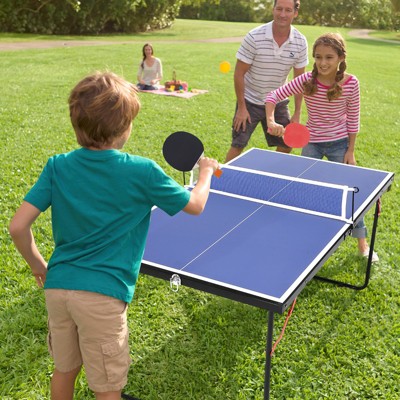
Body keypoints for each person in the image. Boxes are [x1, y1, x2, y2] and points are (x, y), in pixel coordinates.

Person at [8, 71, 219, 400]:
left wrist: (38, 265)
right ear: (125, 128)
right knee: (107, 387)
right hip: (102, 297)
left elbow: (17, 227)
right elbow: (195, 205)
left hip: (58, 289)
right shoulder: (142, 171)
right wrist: (204, 173)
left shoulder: (57, 166)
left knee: (64, 369)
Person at [265, 32, 378, 261]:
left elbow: (353, 119)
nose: (322, 63)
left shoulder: (351, 83)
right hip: (312, 143)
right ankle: (304, 236)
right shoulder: (306, 80)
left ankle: (362, 244)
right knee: (305, 190)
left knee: (350, 193)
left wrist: (350, 150)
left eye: (329, 57)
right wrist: (270, 120)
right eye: (318, 57)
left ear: (340, 58)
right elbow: (273, 96)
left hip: (340, 144)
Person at [225, 0, 308, 162]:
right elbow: (239, 73)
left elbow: (299, 81)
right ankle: (219, 175)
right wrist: (242, 108)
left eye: (288, 10)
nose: (282, 14)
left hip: (278, 101)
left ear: (295, 13)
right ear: (273, 9)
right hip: (250, 100)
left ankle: (269, 171)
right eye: (279, 9)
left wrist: (297, 112)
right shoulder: (254, 37)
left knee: (287, 143)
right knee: (238, 145)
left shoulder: (300, 41)